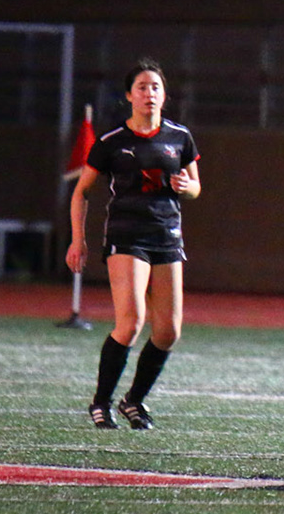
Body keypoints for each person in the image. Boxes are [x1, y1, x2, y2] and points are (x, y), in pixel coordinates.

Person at [66, 57, 200, 429]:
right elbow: (81, 192)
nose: (149, 93)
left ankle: (134, 400)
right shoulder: (112, 141)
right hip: (127, 237)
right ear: (129, 96)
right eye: (141, 87)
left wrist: (187, 187)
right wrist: (78, 240)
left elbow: (195, 187)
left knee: (168, 332)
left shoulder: (180, 137)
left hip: (167, 236)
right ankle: (101, 402)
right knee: (131, 322)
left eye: (155, 87)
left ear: (164, 95)